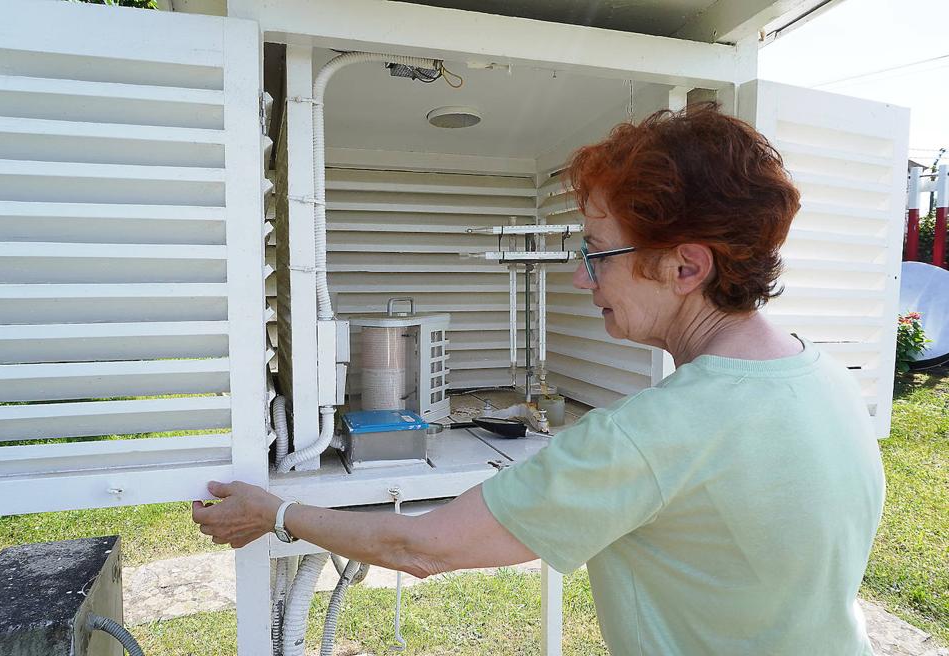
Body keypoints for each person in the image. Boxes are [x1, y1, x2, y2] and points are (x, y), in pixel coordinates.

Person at [192, 104, 884, 655]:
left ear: (686, 267)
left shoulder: (652, 435)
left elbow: (421, 546)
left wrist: (273, 512)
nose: (584, 277)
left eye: (598, 252)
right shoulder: (822, 376)